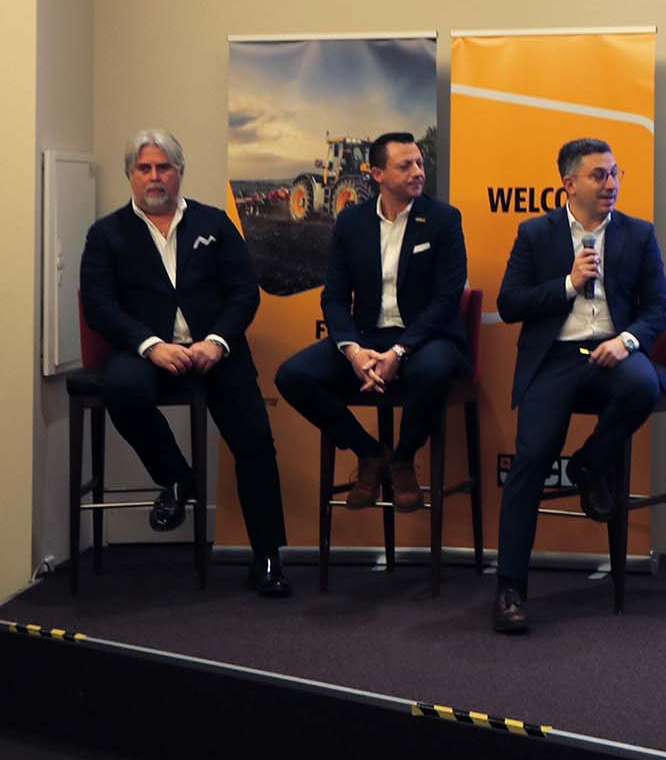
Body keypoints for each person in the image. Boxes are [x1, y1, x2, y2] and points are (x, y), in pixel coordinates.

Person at [79, 130, 291, 597]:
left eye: (164, 167)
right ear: (131, 174)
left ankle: (268, 557)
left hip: (217, 353)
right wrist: (150, 345)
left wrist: (217, 341)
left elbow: (244, 293)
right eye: (144, 168)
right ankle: (177, 477)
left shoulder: (215, 223)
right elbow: (98, 305)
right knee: (121, 388)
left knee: (255, 440)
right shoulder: (107, 234)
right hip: (147, 353)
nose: (154, 177)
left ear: (180, 172)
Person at [491, 138, 666, 634]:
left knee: (643, 385)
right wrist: (568, 284)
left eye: (614, 173)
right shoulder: (536, 234)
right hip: (556, 356)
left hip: (611, 353)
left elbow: (660, 306)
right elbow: (510, 304)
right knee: (532, 458)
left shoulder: (638, 233)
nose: (611, 184)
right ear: (569, 184)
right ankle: (509, 588)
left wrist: (627, 340)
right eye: (599, 175)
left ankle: (589, 461)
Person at [275, 133, 469, 514]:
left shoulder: (444, 220)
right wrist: (352, 351)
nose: (418, 171)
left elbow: (447, 301)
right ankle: (370, 452)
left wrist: (400, 351)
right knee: (292, 376)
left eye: (419, 163)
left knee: (431, 371)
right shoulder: (351, 222)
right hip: (366, 336)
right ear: (377, 174)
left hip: (426, 337)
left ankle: (403, 460)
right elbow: (334, 297)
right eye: (405, 165)